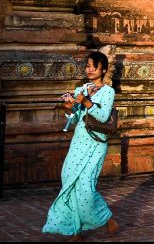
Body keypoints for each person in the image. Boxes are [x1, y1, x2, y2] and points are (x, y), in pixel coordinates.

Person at [43, 52, 119, 241]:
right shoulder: (81, 89)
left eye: (94, 66)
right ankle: (75, 232)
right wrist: (69, 107)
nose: (90, 69)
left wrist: (86, 102)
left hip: (96, 142)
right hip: (79, 141)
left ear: (103, 69)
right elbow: (76, 118)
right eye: (87, 66)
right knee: (69, 181)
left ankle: (107, 217)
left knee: (86, 186)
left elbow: (103, 117)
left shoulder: (108, 92)